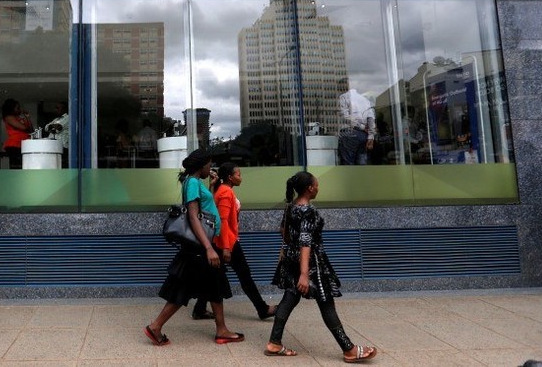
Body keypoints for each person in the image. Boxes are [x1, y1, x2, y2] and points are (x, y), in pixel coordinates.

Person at [265, 171, 376, 362]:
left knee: (289, 298)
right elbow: (306, 241)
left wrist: (293, 252)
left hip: (291, 260)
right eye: (316, 185)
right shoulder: (308, 211)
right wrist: (304, 273)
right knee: (326, 302)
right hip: (310, 264)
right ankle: (348, 349)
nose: (318, 188)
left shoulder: (290, 208)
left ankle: (274, 342)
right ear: (309, 189)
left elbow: (283, 231)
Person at [144, 149, 244, 346]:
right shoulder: (191, 183)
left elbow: (203, 207)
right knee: (182, 289)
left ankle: (221, 329)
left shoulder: (195, 182)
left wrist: (211, 187)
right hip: (199, 248)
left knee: (213, 285)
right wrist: (208, 248)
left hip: (202, 247)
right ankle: (156, 327)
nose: (211, 168)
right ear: (201, 166)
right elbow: (193, 216)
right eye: (209, 164)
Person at [192, 162, 278, 321]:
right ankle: (262, 308)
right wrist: (226, 247)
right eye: (238, 175)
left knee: (213, 276)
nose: (241, 178)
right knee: (244, 275)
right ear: (230, 178)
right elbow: (222, 221)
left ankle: (199, 308)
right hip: (227, 242)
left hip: (222, 241)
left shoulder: (223, 190)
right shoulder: (225, 192)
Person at [338, 81, 376, 165]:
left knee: (348, 163)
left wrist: (361, 127)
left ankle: (351, 178)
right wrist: (371, 137)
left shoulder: (343, 97)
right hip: (363, 135)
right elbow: (371, 118)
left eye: (339, 87)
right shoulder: (365, 99)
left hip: (349, 133)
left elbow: (345, 116)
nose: (338, 89)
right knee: (362, 162)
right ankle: (361, 178)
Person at [1, 98, 33, 169]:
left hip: (23, 144)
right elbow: (23, 128)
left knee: (24, 165)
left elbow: (30, 130)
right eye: (17, 107)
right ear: (12, 108)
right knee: (17, 166)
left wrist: (27, 117)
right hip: (15, 144)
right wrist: (24, 119)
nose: (19, 109)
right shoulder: (9, 117)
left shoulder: (19, 117)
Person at [44, 101, 70, 167]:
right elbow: (46, 127)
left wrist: (52, 127)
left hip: (62, 147)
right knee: (53, 165)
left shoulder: (68, 117)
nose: (56, 110)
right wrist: (52, 126)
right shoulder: (56, 119)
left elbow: (58, 128)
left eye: (58, 108)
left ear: (64, 109)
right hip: (54, 147)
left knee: (61, 166)